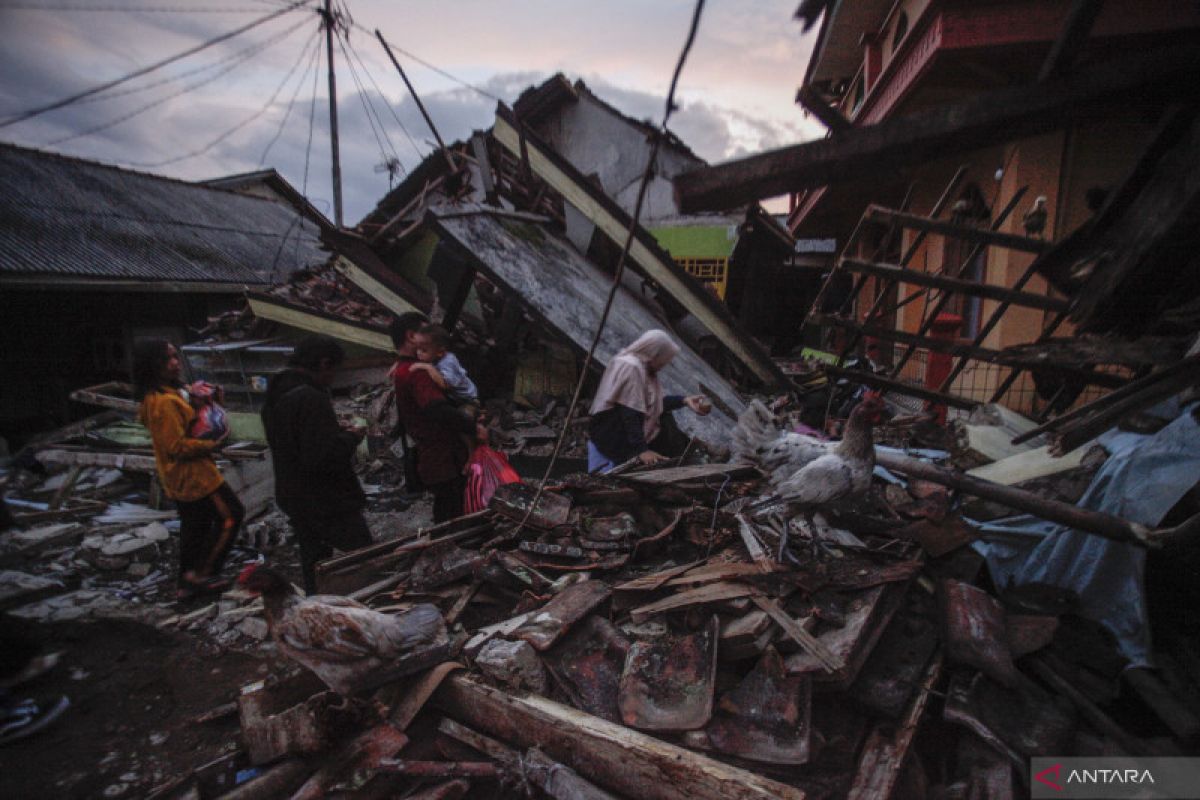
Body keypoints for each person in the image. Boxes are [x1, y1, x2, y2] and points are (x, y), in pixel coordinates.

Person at [261, 336, 373, 594]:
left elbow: (295, 440)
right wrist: (350, 437)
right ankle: (368, 602)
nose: (333, 377)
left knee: (314, 557)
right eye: (334, 370)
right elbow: (322, 457)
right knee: (363, 555)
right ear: (324, 364)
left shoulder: (278, 391)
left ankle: (316, 605)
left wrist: (333, 431)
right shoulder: (311, 397)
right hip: (326, 498)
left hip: (293, 492)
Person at [133, 339, 243, 599]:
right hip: (194, 476)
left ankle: (187, 580)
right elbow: (176, 445)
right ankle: (203, 574)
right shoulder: (163, 403)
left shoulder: (167, 393)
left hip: (183, 475)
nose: (174, 363)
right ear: (153, 366)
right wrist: (211, 443)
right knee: (231, 516)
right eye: (167, 359)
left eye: (174, 356)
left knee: (196, 526)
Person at [390, 313, 480, 523]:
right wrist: (473, 428)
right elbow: (437, 409)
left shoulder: (404, 368)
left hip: (432, 456)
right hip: (442, 456)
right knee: (453, 508)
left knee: (446, 507)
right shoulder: (418, 372)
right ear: (412, 336)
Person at [587, 329, 711, 473]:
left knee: (665, 417)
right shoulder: (631, 366)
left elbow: (653, 405)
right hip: (611, 433)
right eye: (664, 359)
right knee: (664, 423)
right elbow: (629, 412)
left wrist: (684, 400)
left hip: (625, 430)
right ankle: (686, 461)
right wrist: (641, 451)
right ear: (654, 354)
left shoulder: (645, 370)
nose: (664, 364)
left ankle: (688, 459)